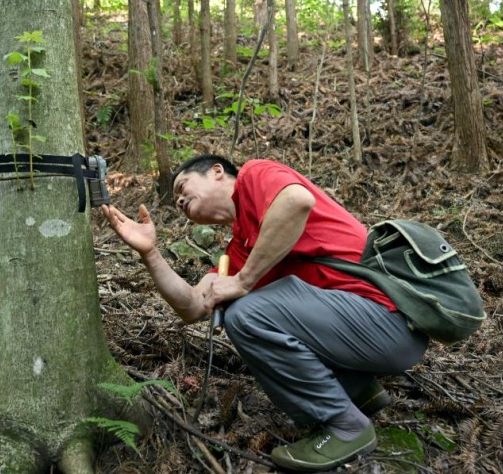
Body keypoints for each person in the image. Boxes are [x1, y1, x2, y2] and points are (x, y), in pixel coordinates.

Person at [101, 154, 429, 472]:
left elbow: (297, 202)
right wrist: (151, 253)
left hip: (389, 320)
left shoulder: (255, 176)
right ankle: (357, 391)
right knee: (247, 308)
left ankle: (345, 427)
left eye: (183, 187)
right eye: (175, 200)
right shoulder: (242, 248)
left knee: (245, 313)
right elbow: (193, 306)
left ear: (217, 172)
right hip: (368, 334)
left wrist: (243, 281)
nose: (179, 200)